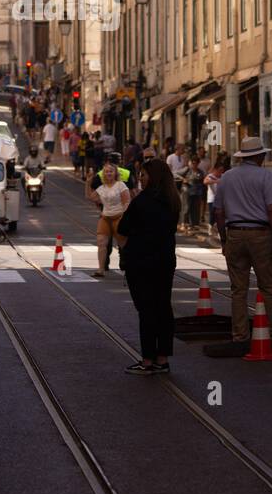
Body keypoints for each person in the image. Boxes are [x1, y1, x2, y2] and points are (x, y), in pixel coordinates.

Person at [213, 138, 272, 345]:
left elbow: (218, 212)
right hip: (260, 233)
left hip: (235, 232)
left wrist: (224, 239)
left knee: (238, 289)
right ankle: (268, 332)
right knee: (268, 286)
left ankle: (240, 334)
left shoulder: (226, 177)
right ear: (259, 156)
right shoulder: (266, 177)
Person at [117, 159, 180, 373]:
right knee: (163, 307)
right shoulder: (173, 200)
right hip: (165, 260)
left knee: (146, 310)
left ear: (153, 177)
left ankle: (147, 360)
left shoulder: (141, 201)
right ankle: (162, 359)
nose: (140, 179)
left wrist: (124, 254)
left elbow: (123, 228)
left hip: (141, 261)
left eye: (143, 175)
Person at [85, 162, 130, 278]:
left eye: (111, 171)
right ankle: (100, 269)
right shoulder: (102, 188)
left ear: (115, 173)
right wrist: (88, 182)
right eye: (106, 171)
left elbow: (127, 202)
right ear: (103, 174)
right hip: (105, 218)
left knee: (123, 244)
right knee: (101, 242)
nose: (108, 173)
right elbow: (91, 197)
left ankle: (131, 266)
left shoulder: (121, 185)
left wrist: (124, 217)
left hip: (119, 217)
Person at [185, 154, 205, 230]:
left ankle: (195, 224)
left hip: (197, 192)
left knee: (196, 209)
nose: (194, 164)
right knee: (188, 208)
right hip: (189, 192)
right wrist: (184, 180)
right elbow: (177, 175)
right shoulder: (187, 171)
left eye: (196, 163)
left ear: (198, 163)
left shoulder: (200, 172)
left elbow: (200, 181)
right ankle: (187, 223)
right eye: (193, 163)